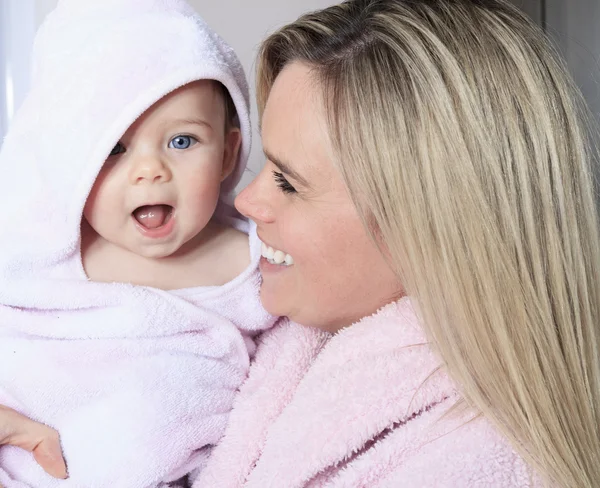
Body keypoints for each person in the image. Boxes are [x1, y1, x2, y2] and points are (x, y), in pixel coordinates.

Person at [2, 0, 600, 486]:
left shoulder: (469, 458)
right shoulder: (295, 335)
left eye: (288, 181)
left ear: (431, 217)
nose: (245, 201)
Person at [0, 0, 275, 486]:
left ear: (229, 153)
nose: (150, 170)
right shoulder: (40, 254)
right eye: (114, 149)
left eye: (182, 141)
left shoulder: (254, 256)